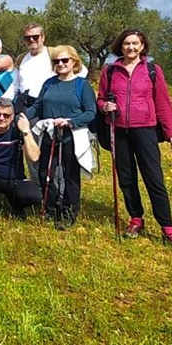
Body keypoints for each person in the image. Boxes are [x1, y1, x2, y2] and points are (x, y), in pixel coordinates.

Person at [98, 29, 172, 242]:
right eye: (126, 44)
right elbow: (101, 99)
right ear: (120, 47)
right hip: (119, 129)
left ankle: (167, 225)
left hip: (145, 129)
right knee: (127, 178)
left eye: (135, 43)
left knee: (154, 178)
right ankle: (136, 218)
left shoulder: (151, 70)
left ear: (142, 46)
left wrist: (170, 132)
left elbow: (163, 103)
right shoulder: (110, 71)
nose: (130, 47)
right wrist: (105, 106)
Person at [26, 46, 96, 230]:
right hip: (50, 134)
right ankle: (50, 208)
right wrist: (22, 116)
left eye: (65, 60)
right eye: (56, 61)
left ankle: (68, 213)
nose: (61, 64)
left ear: (74, 61)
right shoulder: (49, 83)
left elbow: (90, 112)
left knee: (70, 176)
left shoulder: (82, 85)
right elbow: (38, 106)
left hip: (71, 136)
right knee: (44, 173)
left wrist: (70, 122)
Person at [0, 98, 41, 221]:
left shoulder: (18, 131)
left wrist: (26, 131)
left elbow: (35, 157)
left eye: (6, 115)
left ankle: (14, 204)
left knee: (34, 196)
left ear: (12, 117)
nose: (1, 118)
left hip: (14, 178)